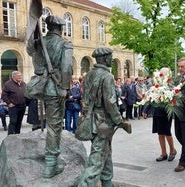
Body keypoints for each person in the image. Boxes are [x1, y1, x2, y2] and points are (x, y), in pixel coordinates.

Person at [26, 15, 73, 178]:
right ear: (60, 28)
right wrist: (64, 88)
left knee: (52, 125)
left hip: (42, 87)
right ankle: (51, 165)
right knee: (54, 126)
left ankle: (51, 159)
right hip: (55, 88)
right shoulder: (65, 43)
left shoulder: (39, 43)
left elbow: (31, 52)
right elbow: (66, 67)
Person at [79, 47, 132, 187]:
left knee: (105, 151)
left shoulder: (89, 74)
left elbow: (85, 98)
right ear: (105, 58)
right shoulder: (107, 76)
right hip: (103, 121)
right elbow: (110, 102)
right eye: (110, 56)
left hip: (91, 120)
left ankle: (107, 181)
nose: (111, 59)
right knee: (97, 159)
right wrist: (120, 121)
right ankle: (85, 184)